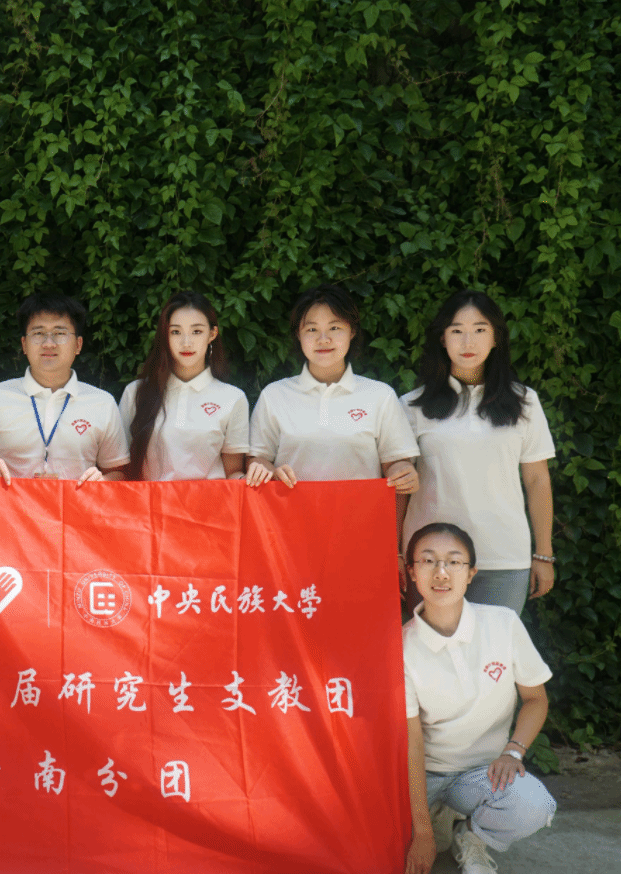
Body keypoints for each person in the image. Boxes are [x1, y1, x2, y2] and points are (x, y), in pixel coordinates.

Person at [402, 522, 555, 874]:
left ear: (471, 573)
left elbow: (536, 699)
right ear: (411, 571)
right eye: (428, 560)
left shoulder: (503, 624)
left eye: (454, 562)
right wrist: (421, 832)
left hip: (482, 772)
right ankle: (437, 821)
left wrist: (513, 751)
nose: (441, 572)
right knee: (376, 850)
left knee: (534, 805)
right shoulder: (401, 648)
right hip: (425, 775)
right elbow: (411, 742)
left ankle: (471, 836)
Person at [401, 290, 556, 614]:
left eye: (480, 330)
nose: (467, 341)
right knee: (431, 647)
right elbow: (399, 488)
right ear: (442, 338)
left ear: (496, 337)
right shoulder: (412, 407)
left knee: (495, 646)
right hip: (430, 561)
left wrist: (543, 554)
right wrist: (396, 554)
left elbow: (537, 480)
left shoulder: (524, 402)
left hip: (503, 559)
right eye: (457, 330)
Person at [246, 283, 419, 494]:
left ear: (352, 331)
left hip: (360, 513)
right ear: (298, 334)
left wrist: (403, 472)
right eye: (312, 330)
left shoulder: (380, 396)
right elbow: (258, 458)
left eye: (334, 328)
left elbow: (395, 463)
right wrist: (267, 470)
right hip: (289, 513)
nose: (323, 339)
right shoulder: (274, 395)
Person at [0, 294, 129, 485]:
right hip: (11, 504)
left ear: (78, 345)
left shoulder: (103, 403)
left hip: (76, 505)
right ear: (24, 344)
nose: (49, 343)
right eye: (38, 333)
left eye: (60, 333)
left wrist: (104, 480)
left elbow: (120, 473)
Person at [119, 290, 249, 480]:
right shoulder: (135, 393)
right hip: (151, 499)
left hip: (211, 499)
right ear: (165, 335)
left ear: (212, 333)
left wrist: (259, 476)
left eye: (196, 331)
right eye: (176, 332)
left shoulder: (233, 398)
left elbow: (234, 474)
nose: (186, 343)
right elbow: (121, 470)